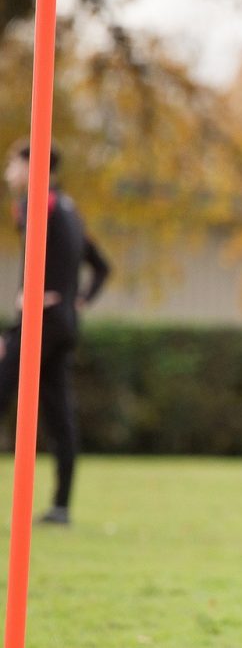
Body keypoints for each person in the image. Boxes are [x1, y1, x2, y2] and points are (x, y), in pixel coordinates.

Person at [0, 141, 111, 526]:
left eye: (12, 165)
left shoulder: (38, 204)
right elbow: (101, 267)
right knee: (59, 415)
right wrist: (76, 301)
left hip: (41, 320)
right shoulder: (69, 208)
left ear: (33, 166)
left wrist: (21, 315)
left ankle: (60, 506)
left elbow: (34, 268)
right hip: (63, 323)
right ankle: (61, 507)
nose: (7, 173)